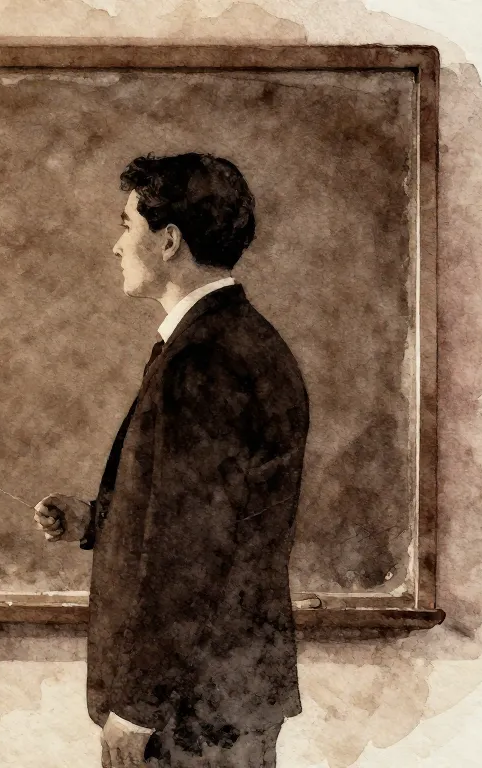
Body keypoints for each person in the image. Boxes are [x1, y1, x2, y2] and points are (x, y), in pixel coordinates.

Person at [34, 154, 309, 768]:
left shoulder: (205, 357)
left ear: (168, 241)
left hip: (192, 710)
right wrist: (95, 519)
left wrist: (138, 706)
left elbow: (191, 551)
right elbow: (195, 512)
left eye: (126, 226)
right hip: (216, 696)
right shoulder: (227, 338)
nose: (116, 246)